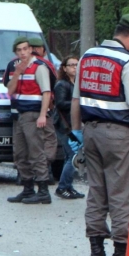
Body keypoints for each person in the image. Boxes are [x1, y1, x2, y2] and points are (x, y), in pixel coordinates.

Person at [70, 14, 129, 256]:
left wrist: (76, 134)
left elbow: (76, 99)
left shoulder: (87, 56)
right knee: (121, 193)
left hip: (90, 132)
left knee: (96, 192)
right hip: (118, 134)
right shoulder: (128, 61)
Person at [5, 37, 57, 204]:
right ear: (15, 52)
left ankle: (43, 191)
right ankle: (28, 189)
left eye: (25, 49)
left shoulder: (39, 67)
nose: (23, 52)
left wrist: (43, 115)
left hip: (33, 114)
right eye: (19, 50)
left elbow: (46, 92)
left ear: (30, 50)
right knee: (20, 153)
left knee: (36, 152)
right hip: (21, 114)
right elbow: (10, 91)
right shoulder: (16, 68)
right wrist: (18, 72)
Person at [53, 56, 85, 200]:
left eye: (77, 65)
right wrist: (77, 104)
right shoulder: (62, 84)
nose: (74, 67)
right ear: (64, 68)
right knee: (72, 155)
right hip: (65, 124)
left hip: (73, 124)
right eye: (71, 65)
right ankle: (62, 187)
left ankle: (68, 186)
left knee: (71, 156)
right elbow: (60, 103)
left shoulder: (77, 84)